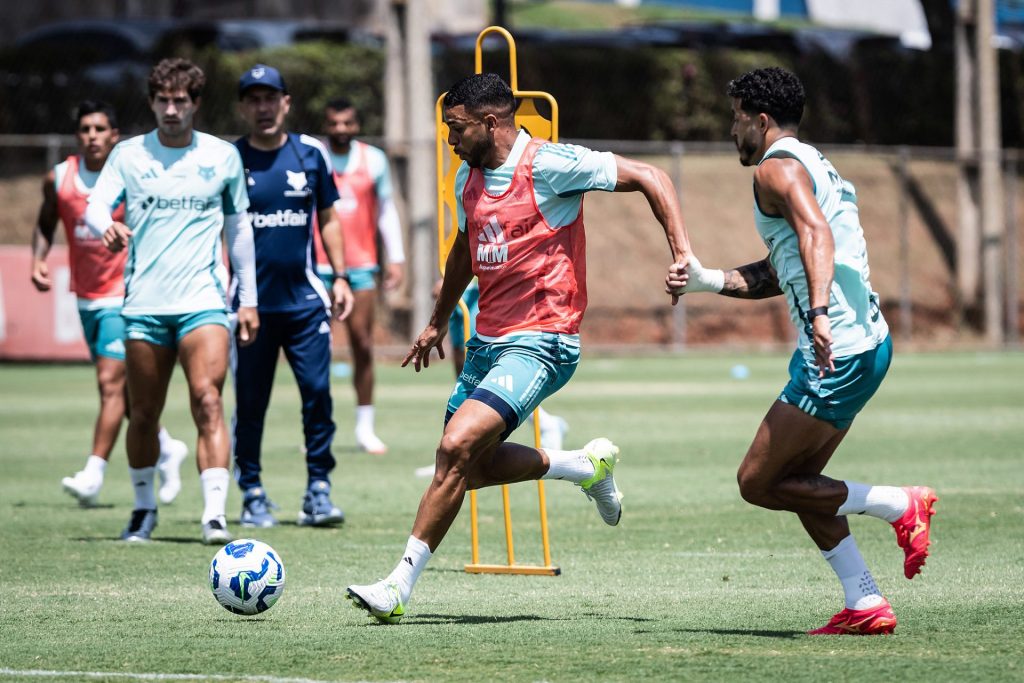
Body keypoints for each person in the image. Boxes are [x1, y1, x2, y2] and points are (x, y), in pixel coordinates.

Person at [346, 72, 690, 624]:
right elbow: (464, 249)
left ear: (491, 121)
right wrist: (438, 322)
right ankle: (583, 466)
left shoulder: (551, 164)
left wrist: (682, 255)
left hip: (544, 340)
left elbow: (650, 175)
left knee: (453, 448)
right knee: (471, 468)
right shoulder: (469, 177)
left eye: (455, 128)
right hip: (487, 340)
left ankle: (397, 587)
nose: (449, 139)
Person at [667, 66, 937, 635]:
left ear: (761, 121)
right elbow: (780, 266)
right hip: (865, 341)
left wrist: (816, 313)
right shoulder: (815, 164)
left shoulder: (775, 168)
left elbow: (817, 236)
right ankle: (864, 603)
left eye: (736, 117)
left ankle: (898, 503)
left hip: (833, 348)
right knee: (802, 482)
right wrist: (707, 280)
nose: (731, 129)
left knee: (758, 482)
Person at [85, 58, 259, 544]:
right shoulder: (129, 155)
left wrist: (248, 299)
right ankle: (143, 509)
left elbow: (238, 228)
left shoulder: (223, 156)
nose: (170, 109)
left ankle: (214, 515)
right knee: (143, 413)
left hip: (203, 301)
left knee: (208, 400)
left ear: (196, 104)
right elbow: (96, 203)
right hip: (144, 305)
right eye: (162, 99)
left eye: (180, 100)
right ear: (152, 102)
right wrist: (107, 225)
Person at [30, 100, 188, 508]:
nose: (92, 136)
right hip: (86, 297)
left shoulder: (132, 176)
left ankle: (93, 472)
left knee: (110, 385)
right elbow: (46, 221)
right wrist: (37, 259)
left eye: (100, 129)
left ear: (114, 135)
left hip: (127, 295)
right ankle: (168, 449)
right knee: (133, 398)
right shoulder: (60, 177)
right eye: (85, 129)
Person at [231, 64, 355, 528]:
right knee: (250, 402)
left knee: (318, 394)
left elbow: (329, 218)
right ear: (243, 107)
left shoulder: (310, 154)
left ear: (286, 102)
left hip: (305, 304)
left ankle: (319, 490)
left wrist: (341, 276)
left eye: (271, 98)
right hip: (250, 308)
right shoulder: (231, 160)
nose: (263, 107)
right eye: (253, 99)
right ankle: (252, 492)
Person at [322, 98, 406, 455]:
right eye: (334, 123)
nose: (341, 129)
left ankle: (364, 428)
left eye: (347, 123)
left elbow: (386, 210)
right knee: (313, 351)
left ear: (356, 125)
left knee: (363, 344)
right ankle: (318, 428)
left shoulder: (373, 159)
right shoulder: (313, 157)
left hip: (361, 267)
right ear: (326, 126)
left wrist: (396, 257)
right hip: (317, 268)